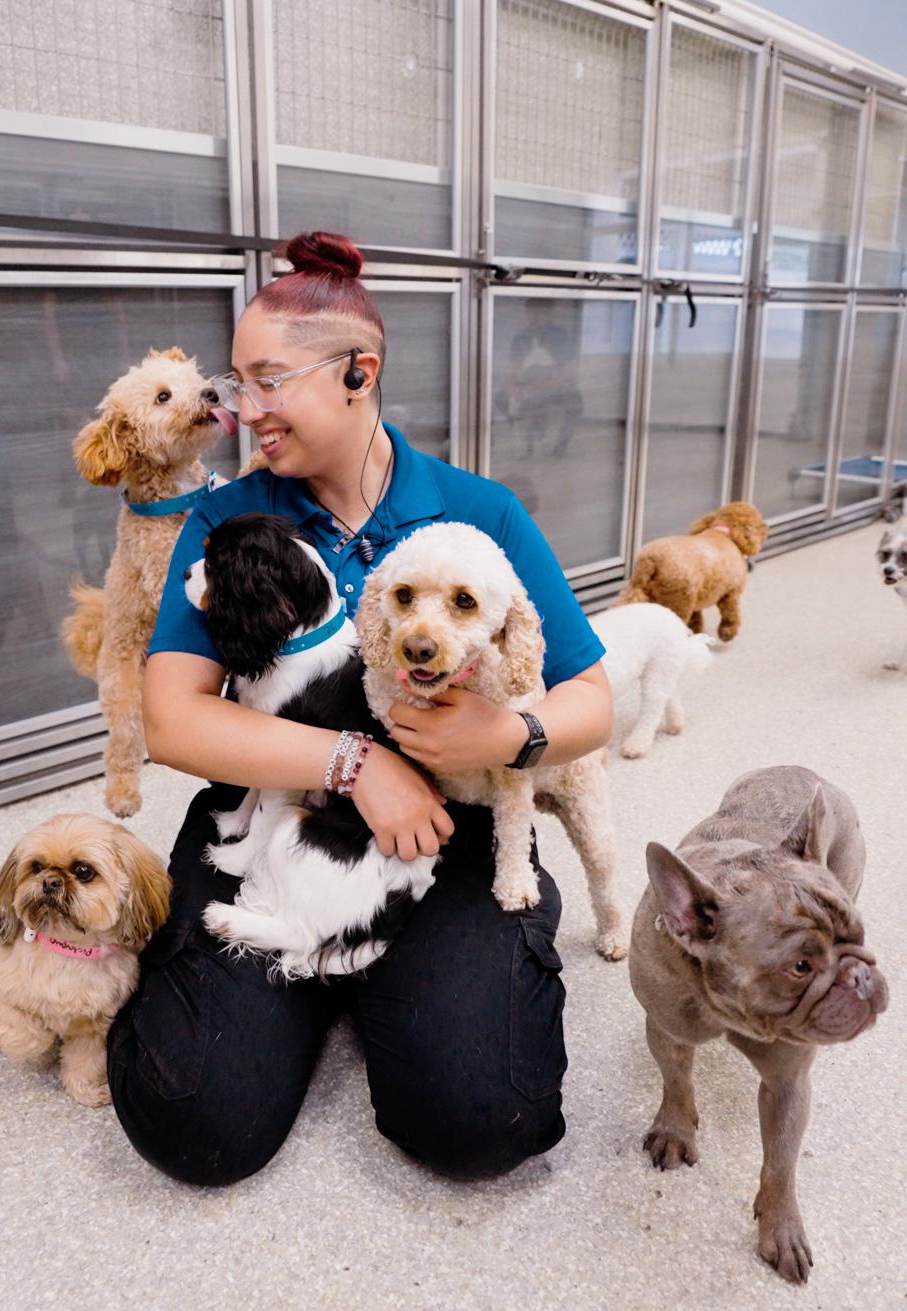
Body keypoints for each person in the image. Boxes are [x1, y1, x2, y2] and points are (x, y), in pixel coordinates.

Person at [106, 231, 612, 1184]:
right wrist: (356, 762)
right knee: (192, 1121)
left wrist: (507, 731)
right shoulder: (226, 519)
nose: (242, 409)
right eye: (237, 382)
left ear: (357, 373)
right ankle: (335, 962)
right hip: (276, 820)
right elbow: (172, 719)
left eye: (267, 382)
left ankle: (374, 968)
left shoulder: (478, 512)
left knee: (483, 1122)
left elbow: (591, 699)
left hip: (445, 830)